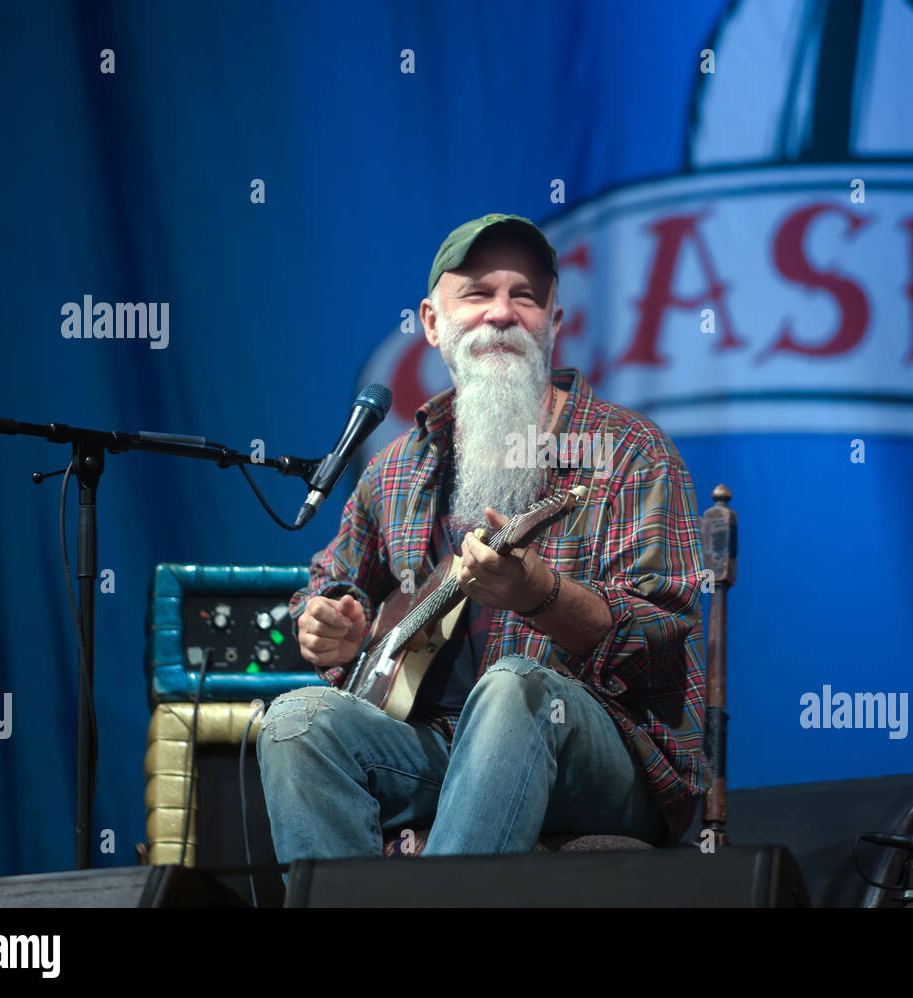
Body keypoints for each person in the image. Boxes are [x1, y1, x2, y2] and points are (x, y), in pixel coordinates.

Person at [257, 213, 710, 860]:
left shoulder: (627, 453)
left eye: (524, 296)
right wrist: (326, 622)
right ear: (433, 323)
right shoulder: (396, 469)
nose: (502, 314)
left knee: (510, 689)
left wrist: (542, 594)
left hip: (602, 750)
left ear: (554, 321)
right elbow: (330, 584)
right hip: (441, 748)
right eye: (477, 294)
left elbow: (661, 639)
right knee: (295, 723)